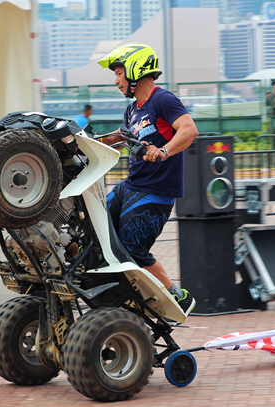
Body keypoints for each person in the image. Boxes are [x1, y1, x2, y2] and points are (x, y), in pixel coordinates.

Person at [97, 43, 198, 316]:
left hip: (155, 194)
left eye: (118, 72)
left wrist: (163, 151)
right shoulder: (133, 110)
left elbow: (189, 130)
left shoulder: (162, 100)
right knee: (94, 230)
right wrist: (85, 141)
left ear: (135, 69)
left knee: (132, 250)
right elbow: (119, 136)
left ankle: (177, 296)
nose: (116, 80)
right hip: (129, 187)